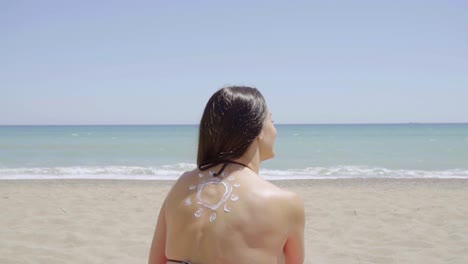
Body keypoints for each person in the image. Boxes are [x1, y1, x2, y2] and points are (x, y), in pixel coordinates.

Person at [148, 86, 305, 264]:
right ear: (258, 130)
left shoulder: (182, 185)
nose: (275, 130)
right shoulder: (285, 202)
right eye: (272, 121)